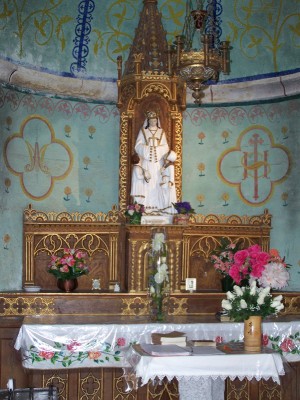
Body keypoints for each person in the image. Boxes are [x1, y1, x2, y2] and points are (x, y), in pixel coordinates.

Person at [132, 110, 177, 213]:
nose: (154, 122)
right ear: (148, 120)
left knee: (157, 183)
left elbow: (166, 147)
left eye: (155, 120)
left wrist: (156, 149)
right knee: (147, 183)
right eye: (151, 120)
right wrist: (149, 150)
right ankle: (146, 208)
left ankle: (159, 208)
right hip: (147, 163)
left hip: (158, 163)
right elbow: (137, 146)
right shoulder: (143, 131)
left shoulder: (161, 132)